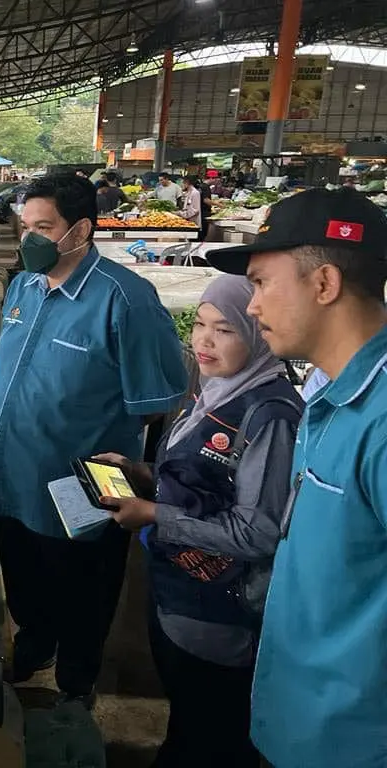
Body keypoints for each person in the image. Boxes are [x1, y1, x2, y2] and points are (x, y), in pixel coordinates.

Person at [0, 174, 187, 705]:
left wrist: (136, 474)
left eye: (43, 227)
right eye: (26, 227)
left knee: (82, 591)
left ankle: (77, 677)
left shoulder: (125, 299)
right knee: (22, 574)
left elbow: (157, 402)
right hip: (11, 472)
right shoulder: (24, 286)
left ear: (82, 230)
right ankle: (34, 644)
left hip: (78, 488)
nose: (31, 240)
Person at [205, 188, 387, 768]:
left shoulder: (381, 421)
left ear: (324, 284)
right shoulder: (326, 394)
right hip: (298, 719)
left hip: (352, 742)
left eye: (260, 283)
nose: (251, 307)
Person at [98, 275, 302, 768]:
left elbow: (257, 532)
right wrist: (138, 473)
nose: (204, 341)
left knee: (212, 735)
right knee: (187, 718)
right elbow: (199, 478)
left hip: (222, 610)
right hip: (177, 591)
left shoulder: (270, 416)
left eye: (225, 330)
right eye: (200, 326)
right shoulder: (211, 391)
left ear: (257, 334)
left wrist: (153, 514)